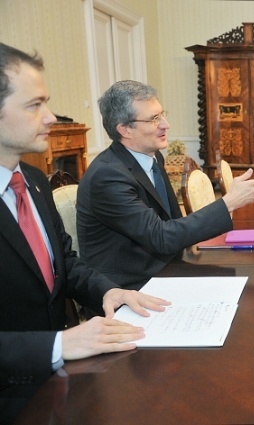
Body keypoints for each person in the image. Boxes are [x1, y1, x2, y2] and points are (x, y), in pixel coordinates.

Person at [0, 43, 170, 422]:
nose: (50, 118)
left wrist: (108, 290)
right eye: (34, 105)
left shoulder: (32, 181)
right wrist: (57, 344)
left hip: (59, 388)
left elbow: (65, 263)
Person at [76, 80, 254, 290]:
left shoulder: (153, 157)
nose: (165, 124)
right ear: (125, 130)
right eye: (154, 119)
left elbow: (173, 222)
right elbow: (161, 237)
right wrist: (228, 202)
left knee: (252, 278)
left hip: (166, 266)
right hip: (130, 287)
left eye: (162, 115)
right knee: (243, 289)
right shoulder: (107, 176)